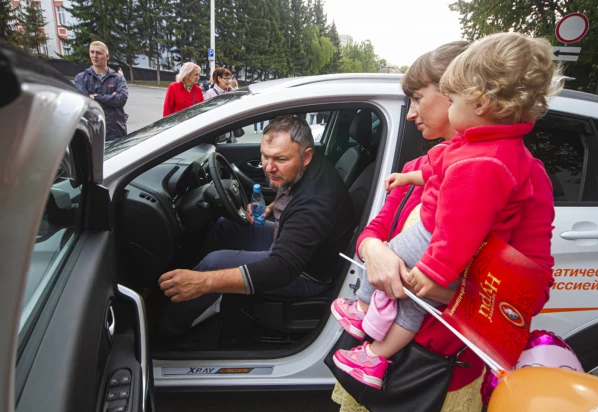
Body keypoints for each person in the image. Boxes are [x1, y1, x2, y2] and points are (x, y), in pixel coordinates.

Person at [330, 39, 556, 412]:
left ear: (469, 96)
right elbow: (372, 233)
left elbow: (528, 296)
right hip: (370, 354)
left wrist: (440, 290)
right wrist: (376, 256)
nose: (410, 113)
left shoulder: (519, 173)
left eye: (418, 98)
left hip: (438, 375)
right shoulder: (421, 169)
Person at [158, 115, 356, 334]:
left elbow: (282, 268)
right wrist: (271, 208)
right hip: (291, 244)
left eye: (280, 159)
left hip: (306, 274)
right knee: (225, 225)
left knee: (214, 264)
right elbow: (288, 196)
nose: (269, 167)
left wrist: (204, 281)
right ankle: (194, 292)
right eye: (264, 156)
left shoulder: (315, 201)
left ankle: (168, 330)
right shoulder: (303, 169)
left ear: (306, 155)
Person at [74, 41, 128, 142]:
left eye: (98, 53)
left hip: (116, 132)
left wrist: (96, 97)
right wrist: (111, 100)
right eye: (92, 52)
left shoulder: (117, 78)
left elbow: (121, 100)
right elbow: (85, 105)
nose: (94, 56)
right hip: (92, 133)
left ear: (107, 56)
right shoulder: (81, 78)